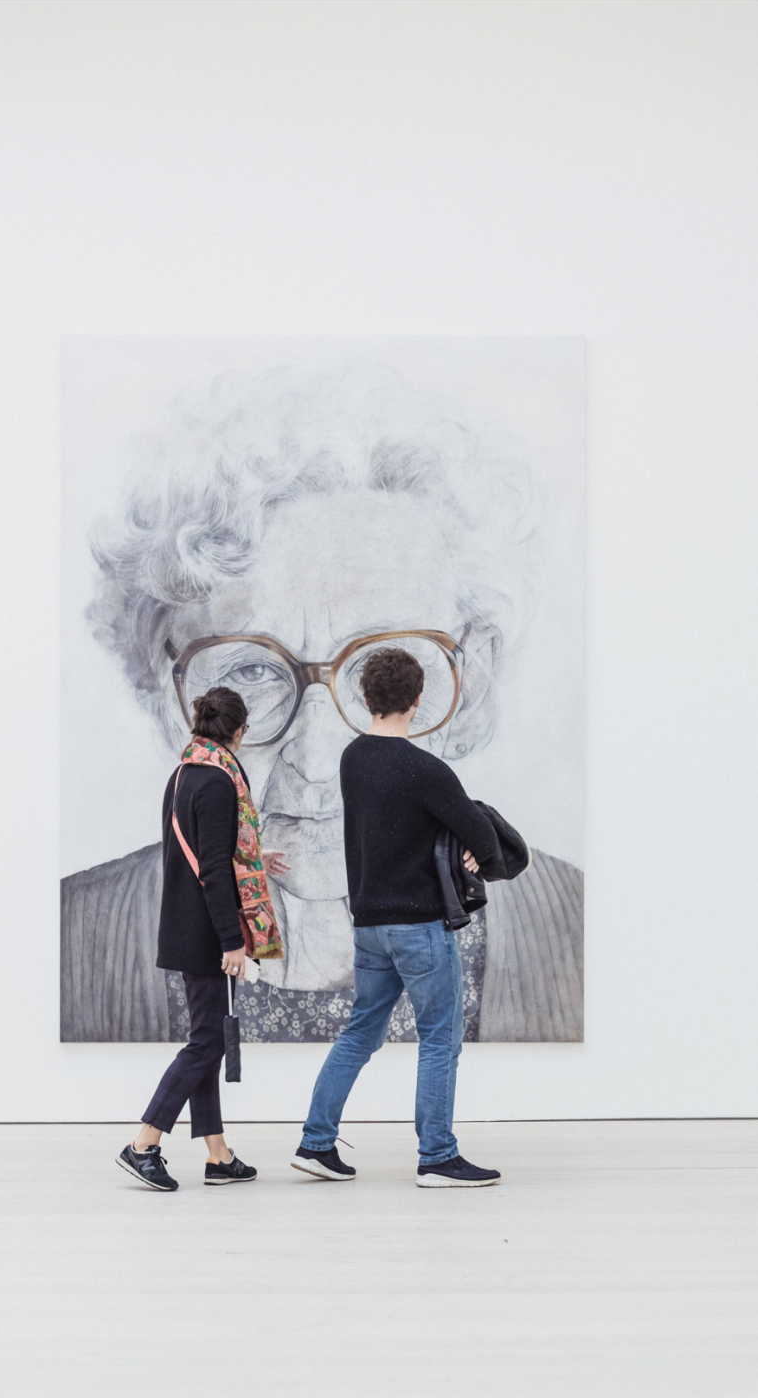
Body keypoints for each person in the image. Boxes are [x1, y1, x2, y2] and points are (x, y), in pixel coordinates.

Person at [61, 363, 582, 1043]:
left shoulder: (577, 923)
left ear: (470, 681)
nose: (317, 757)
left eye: (381, 667)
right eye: (251, 669)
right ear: (173, 693)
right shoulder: (71, 936)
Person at [292, 648, 503, 1188]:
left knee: (360, 1033)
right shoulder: (426, 770)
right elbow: (482, 837)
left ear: (366, 698)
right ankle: (437, 1157)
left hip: (369, 926)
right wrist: (474, 852)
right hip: (419, 929)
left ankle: (316, 1143)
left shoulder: (351, 759)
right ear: (416, 700)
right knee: (439, 1041)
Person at [116, 686, 288, 1192]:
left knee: (207, 1038)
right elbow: (210, 866)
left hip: (190, 924)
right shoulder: (218, 781)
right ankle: (144, 1143)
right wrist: (233, 941)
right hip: (208, 933)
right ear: (239, 731)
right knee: (206, 1041)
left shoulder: (185, 773)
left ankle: (217, 1155)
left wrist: (256, 859)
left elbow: (209, 851)